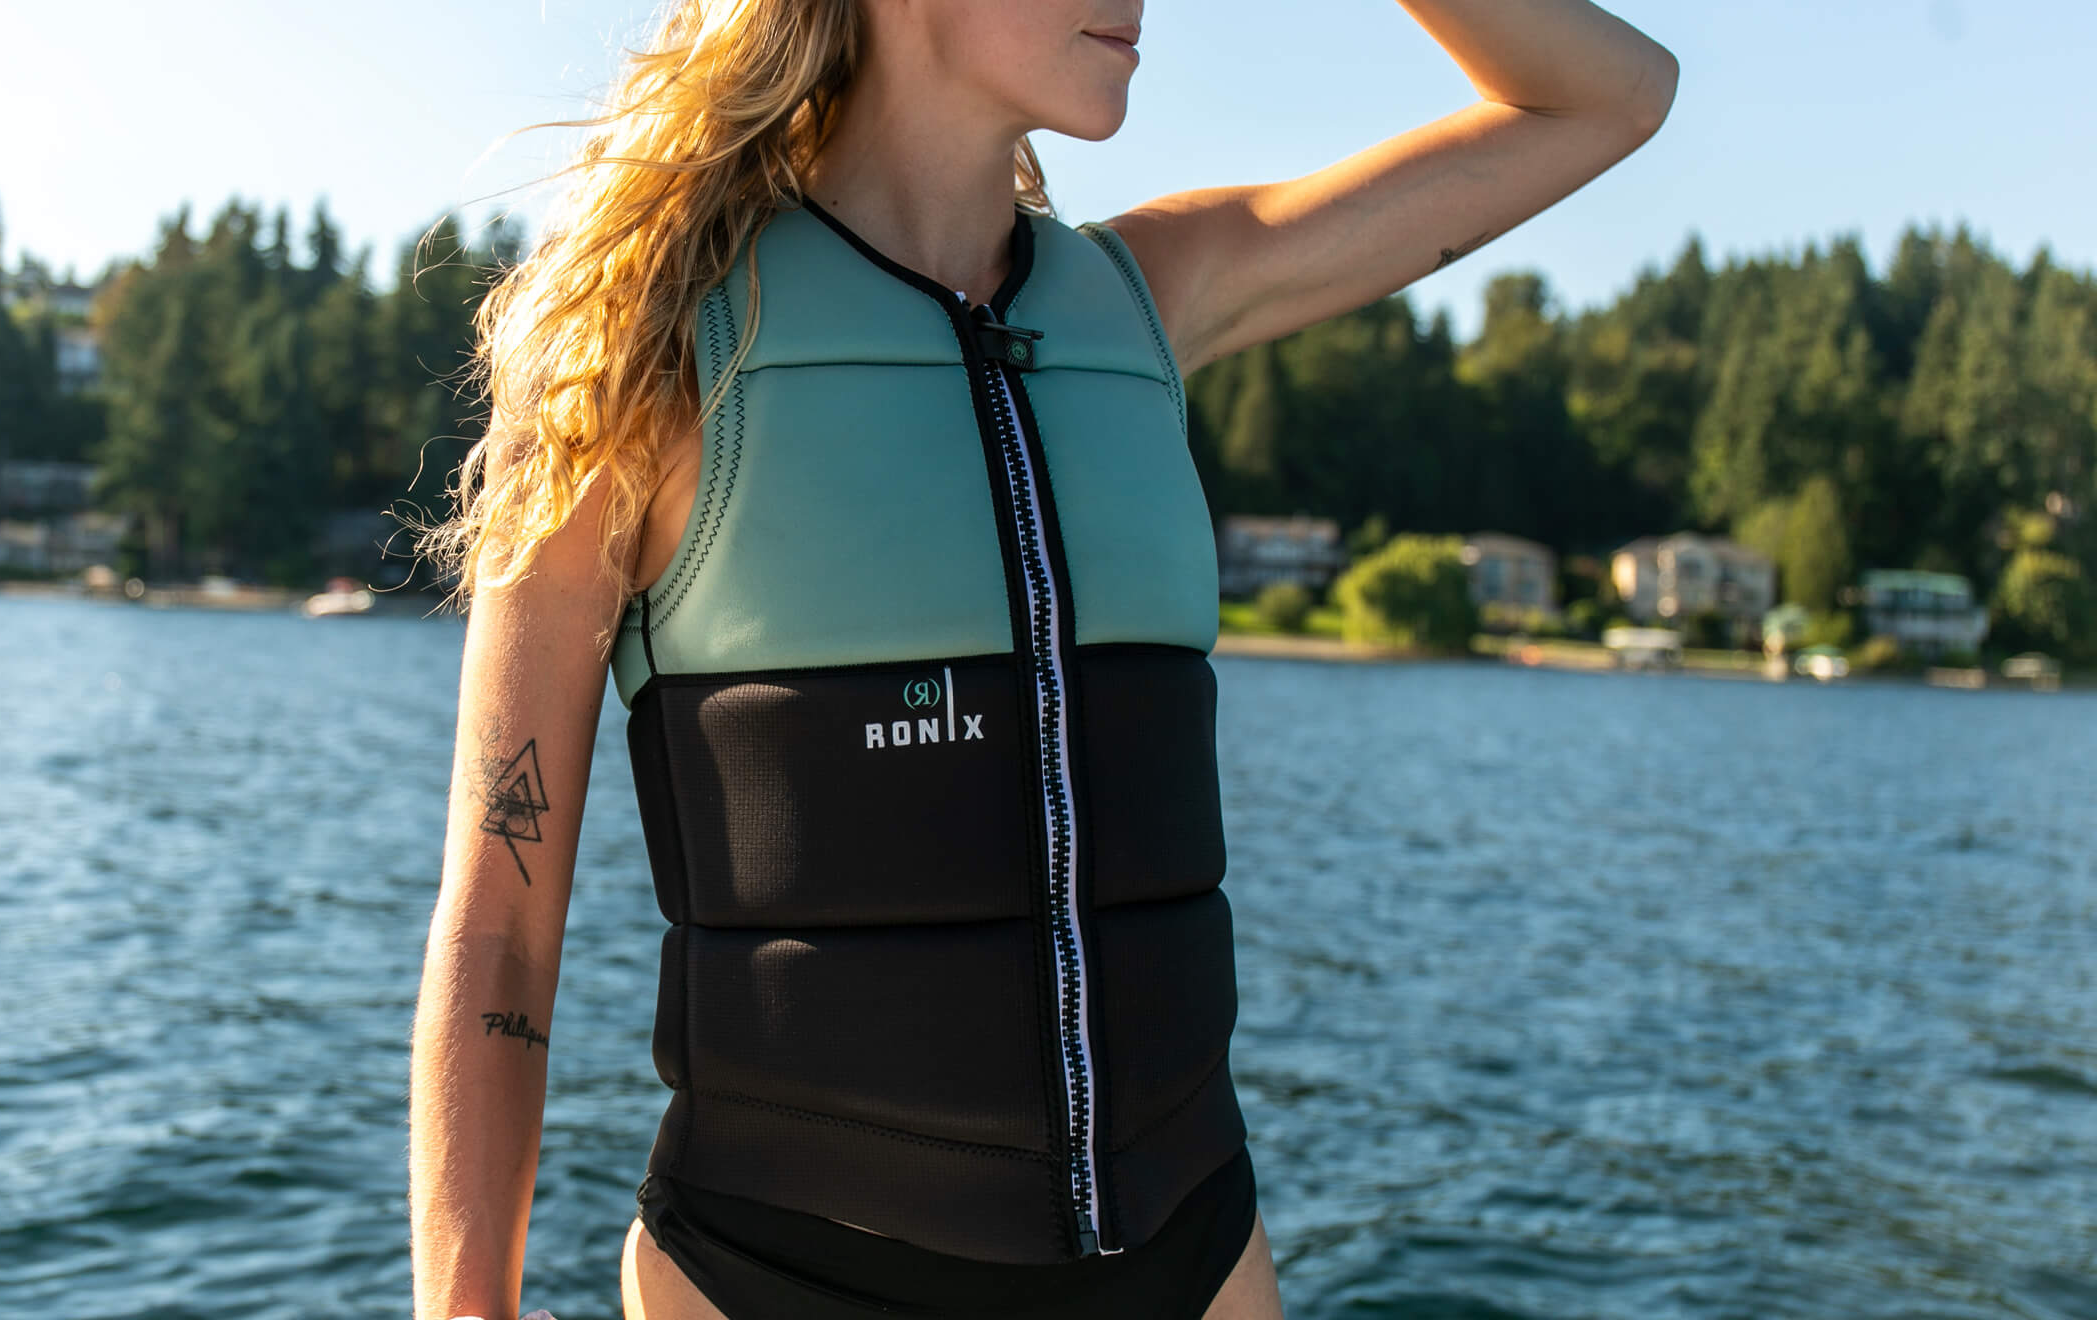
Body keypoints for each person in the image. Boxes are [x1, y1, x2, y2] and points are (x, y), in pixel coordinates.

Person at [406, 1, 1678, 1317]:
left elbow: (1612, 96)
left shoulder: (1154, 293)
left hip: (1195, 1265)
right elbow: (499, 926)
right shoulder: (645, 347)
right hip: (780, 1281)